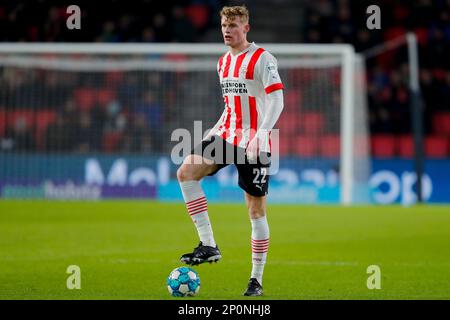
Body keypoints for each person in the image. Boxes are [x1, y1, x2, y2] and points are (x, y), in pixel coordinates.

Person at [176, 5, 284, 296]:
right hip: (226, 134)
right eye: (225, 24)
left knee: (256, 210)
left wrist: (262, 135)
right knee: (186, 172)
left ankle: (256, 279)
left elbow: (277, 100)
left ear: (246, 28)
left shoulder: (263, 59)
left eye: (234, 25)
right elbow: (230, 106)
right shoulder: (223, 62)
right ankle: (208, 244)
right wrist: (212, 131)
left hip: (254, 141)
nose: (227, 30)